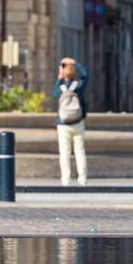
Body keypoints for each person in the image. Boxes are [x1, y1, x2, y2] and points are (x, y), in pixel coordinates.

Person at [52, 57, 88, 186]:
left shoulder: (60, 88)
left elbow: (54, 93)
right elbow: (85, 74)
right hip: (78, 122)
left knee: (64, 153)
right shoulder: (78, 86)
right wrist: (74, 62)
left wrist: (60, 76)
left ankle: (65, 180)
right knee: (80, 151)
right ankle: (82, 179)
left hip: (63, 124)